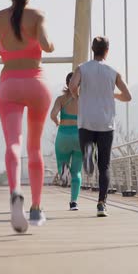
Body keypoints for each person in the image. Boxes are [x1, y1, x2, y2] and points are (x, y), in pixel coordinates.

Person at [0, 0, 54, 232]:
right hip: (36, 85)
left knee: (13, 142)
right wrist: (47, 43)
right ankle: (36, 208)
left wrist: (2, 50)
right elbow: (47, 44)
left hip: (8, 85)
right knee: (33, 148)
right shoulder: (38, 15)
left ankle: (15, 191)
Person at [69, 36, 132, 217]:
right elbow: (128, 96)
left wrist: (77, 96)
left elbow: (73, 85)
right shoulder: (113, 71)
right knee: (104, 166)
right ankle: (102, 204)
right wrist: (113, 95)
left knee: (88, 156)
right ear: (107, 50)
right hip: (106, 123)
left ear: (92, 49)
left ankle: (88, 154)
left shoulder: (82, 68)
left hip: (86, 121)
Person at [50, 72, 82, 211]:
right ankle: (73, 202)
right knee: (77, 172)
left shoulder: (61, 99)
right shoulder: (85, 99)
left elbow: (53, 115)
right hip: (80, 136)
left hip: (63, 135)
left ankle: (63, 170)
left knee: (62, 163)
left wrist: (57, 122)